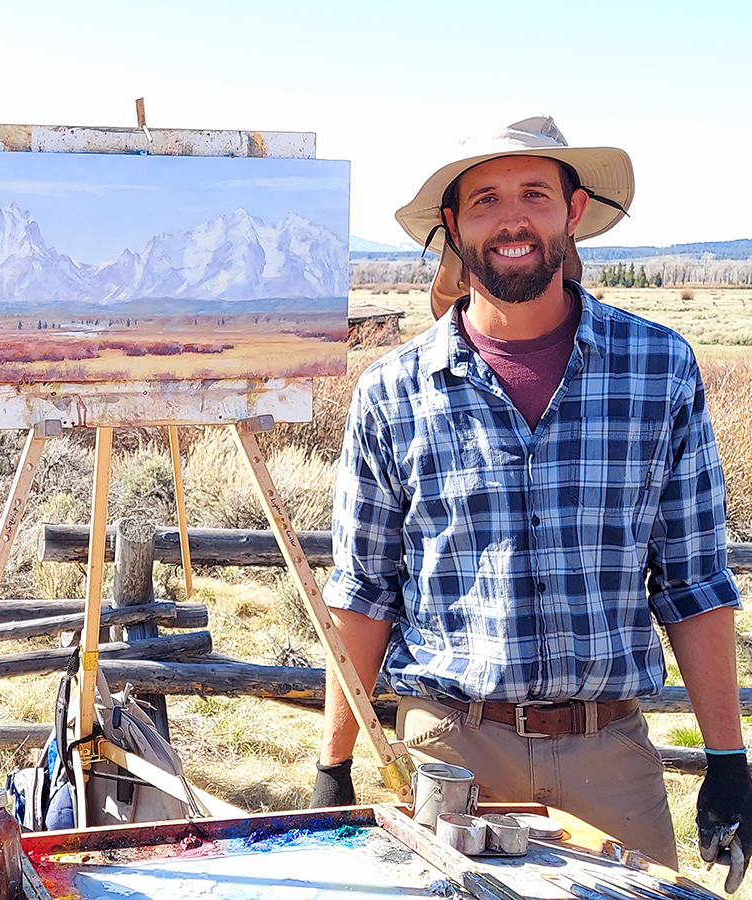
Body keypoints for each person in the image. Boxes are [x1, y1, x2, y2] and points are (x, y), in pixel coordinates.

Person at [311, 117, 752, 888]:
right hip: (450, 753)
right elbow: (364, 589)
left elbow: (693, 580)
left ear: (572, 211)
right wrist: (333, 765)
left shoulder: (660, 370)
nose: (511, 218)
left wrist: (727, 760)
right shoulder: (392, 392)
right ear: (453, 226)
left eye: (533, 194)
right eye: (484, 199)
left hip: (609, 755)